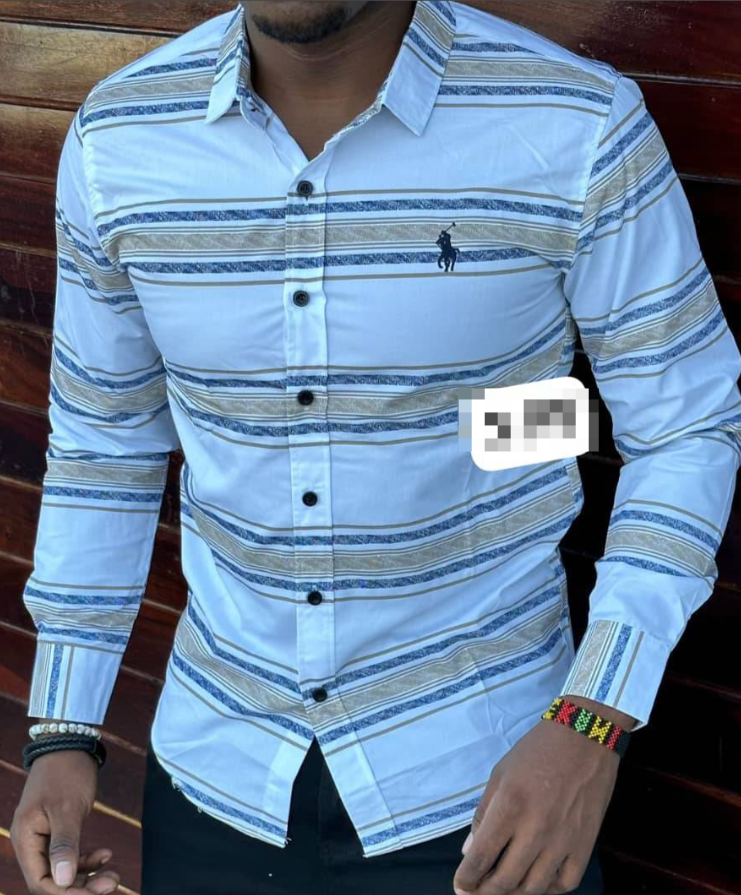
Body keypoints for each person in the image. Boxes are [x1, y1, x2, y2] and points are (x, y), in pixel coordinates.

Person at [10, 2, 741, 894]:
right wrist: (63, 724)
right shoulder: (119, 139)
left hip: (490, 788)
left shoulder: (575, 123)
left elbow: (684, 426)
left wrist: (593, 719)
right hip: (216, 775)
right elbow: (104, 441)